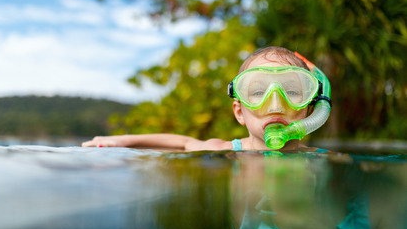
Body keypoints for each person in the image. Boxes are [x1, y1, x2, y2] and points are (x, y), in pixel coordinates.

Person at [82, 46, 326, 151]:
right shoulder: (228, 151)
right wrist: (123, 142)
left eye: (292, 91)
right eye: (258, 92)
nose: (276, 103)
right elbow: (184, 143)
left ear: (311, 109)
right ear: (239, 111)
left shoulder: (318, 158)